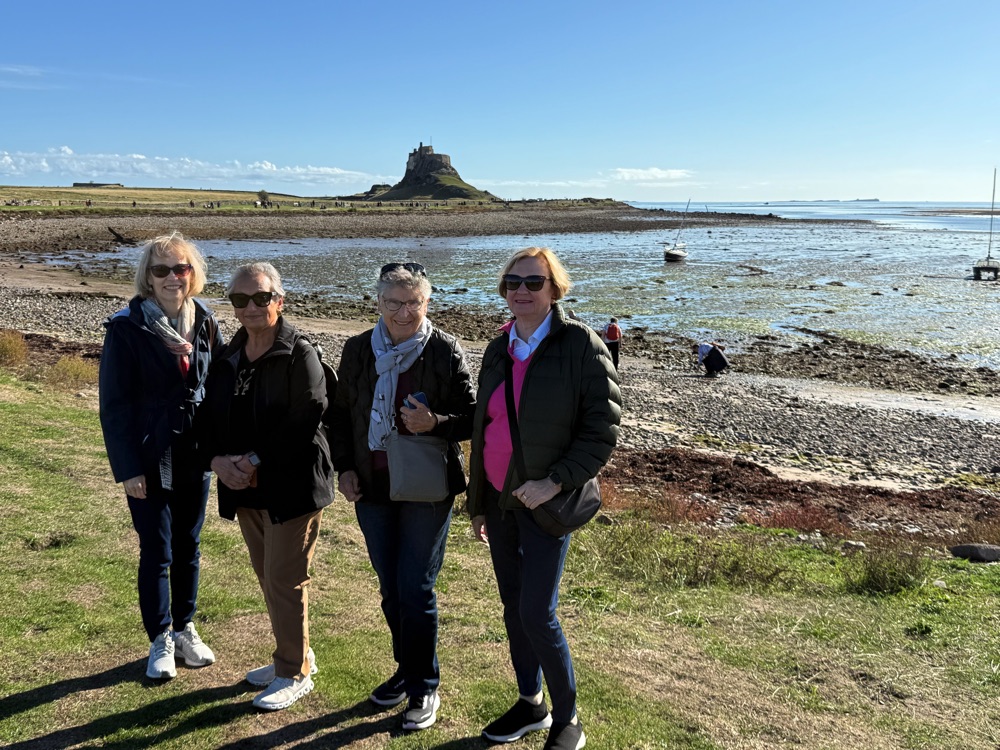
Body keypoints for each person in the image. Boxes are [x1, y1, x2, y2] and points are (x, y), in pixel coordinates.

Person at [467, 247, 621, 750]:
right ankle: (531, 703)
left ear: (555, 288)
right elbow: (484, 426)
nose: (522, 291)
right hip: (500, 502)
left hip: (545, 505)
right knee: (514, 609)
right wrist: (478, 502)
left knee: (537, 613)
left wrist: (553, 482)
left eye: (534, 282)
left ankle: (567, 718)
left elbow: (602, 431)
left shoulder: (581, 344)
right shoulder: (498, 348)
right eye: (513, 282)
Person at [331, 262, 475, 731]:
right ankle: (407, 669)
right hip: (372, 486)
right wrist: (344, 468)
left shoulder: (444, 349)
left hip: (426, 488)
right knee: (391, 589)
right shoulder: (357, 350)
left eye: (414, 302)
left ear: (427, 302)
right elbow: (339, 416)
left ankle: (423, 685)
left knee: (416, 587)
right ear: (378, 302)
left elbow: (473, 417)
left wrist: (435, 423)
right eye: (393, 302)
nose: (404, 312)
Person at [197, 262, 333, 711]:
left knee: (284, 578)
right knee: (267, 575)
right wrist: (218, 461)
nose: (251, 307)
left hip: (292, 485)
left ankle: (294, 672)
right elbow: (208, 419)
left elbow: (306, 416)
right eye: (240, 299)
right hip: (245, 486)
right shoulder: (228, 356)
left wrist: (254, 459)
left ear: (280, 300)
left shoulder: (300, 353)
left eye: (260, 297)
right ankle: (295, 654)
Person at [99, 232, 223, 680]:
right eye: (161, 270)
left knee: (189, 545)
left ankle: (185, 627)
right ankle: (160, 638)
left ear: (193, 273)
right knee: (157, 548)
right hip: (150, 455)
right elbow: (114, 406)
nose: (173, 277)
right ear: (148, 278)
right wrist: (128, 469)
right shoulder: (126, 327)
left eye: (181, 268)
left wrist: (221, 450)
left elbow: (218, 387)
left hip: (195, 454)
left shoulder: (205, 320)